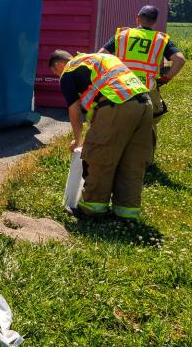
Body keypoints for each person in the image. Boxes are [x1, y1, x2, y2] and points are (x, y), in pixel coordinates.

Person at [49, 49, 153, 220]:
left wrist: (78, 140)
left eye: (55, 73)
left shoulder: (68, 71)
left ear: (59, 65)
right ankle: (126, 213)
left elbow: (74, 111)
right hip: (145, 104)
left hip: (118, 103)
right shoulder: (99, 58)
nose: (57, 76)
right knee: (132, 163)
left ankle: (92, 210)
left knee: (99, 158)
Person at [100, 5, 185, 155]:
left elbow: (101, 56)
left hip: (123, 87)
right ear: (154, 22)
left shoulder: (122, 35)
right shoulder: (160, 39)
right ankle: (146, 159)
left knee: (119, 123)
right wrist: (165, 78)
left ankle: (118, 156)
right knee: (149, 123)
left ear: (137, 18)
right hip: (147, 89)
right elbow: (180, 60)